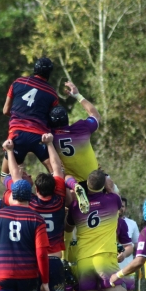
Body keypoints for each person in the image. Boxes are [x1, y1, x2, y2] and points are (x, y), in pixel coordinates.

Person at [3, 133, 71, 291]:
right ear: (54, 187)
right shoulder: (59, 198)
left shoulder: (29, 203)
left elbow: (14, 175)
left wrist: (10, 151)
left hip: (35, 262)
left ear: (36, 190)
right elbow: (57, 169)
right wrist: (50, 144)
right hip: (56, 259)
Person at [65, 170, 132, 291]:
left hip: (84, 261)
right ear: (105, 185)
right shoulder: (113, 200)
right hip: (105, 258)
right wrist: (109, 187)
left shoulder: (77, 206)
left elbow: (68, 229)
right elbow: (116, 196)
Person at [49, 81, 102, 213]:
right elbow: (95, 115)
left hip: (73, 183)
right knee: (111, 188)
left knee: (61, 174)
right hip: (94, 179)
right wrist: (78, 95)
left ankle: (75, 188)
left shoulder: (52, 136)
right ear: (67, 118)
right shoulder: (82, 128)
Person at [0, 57, 59, 176]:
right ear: (49, 73)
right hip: (39, 136)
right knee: (57, 174)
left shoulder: (18, 82)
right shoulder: (52, 94)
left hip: (18, 134)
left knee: (6, 175)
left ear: (35, 69)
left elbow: (6, 110)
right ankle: (58, 194)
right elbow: (52, 120)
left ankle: (16, 193)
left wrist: (21, 116)